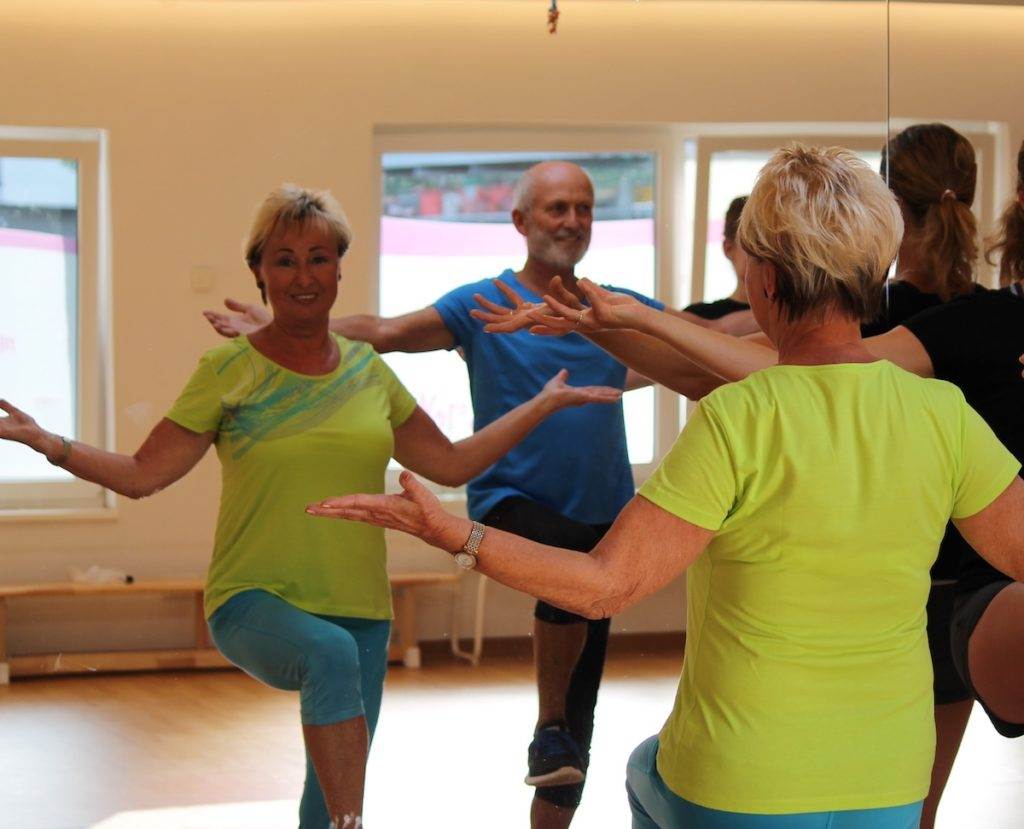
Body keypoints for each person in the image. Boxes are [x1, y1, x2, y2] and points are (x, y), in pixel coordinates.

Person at [308, 145, 1024, 828]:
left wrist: (450, 531)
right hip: (893, 780)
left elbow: (603, 586)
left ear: (764, 280)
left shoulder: (739, 416)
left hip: (741, 781)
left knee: (643, 771)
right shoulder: (944, 414)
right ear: (876, 270)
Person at [0, 184, 623, 829]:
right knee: (328, 661)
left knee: (327, 801)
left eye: (318, 259)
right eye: (285, 260)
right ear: (260, 273)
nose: (304, 276)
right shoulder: (228, 370)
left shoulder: (368, 372)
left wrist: (541, 404)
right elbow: (141, 475)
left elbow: (452, 464)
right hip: (253, 599)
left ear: (338, 270)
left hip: (362, 612)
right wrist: (51, 444)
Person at [206, 160, 666, 829]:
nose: (571, 221)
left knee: (576, 720)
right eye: (556, 208)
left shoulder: (610, 305)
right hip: (514, 504)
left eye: (583, 208)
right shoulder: (482, 302)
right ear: (521, 220)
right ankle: (550, 724)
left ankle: (554, 752)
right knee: (568, 571)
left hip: (602, 519)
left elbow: (705, 335)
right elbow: (386, 331)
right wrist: (288, 328)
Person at [680, 195, 756, 334]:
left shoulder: (793, 320)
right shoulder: (698, 316)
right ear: (728, 248)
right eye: (752, 243)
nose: (763, 254)